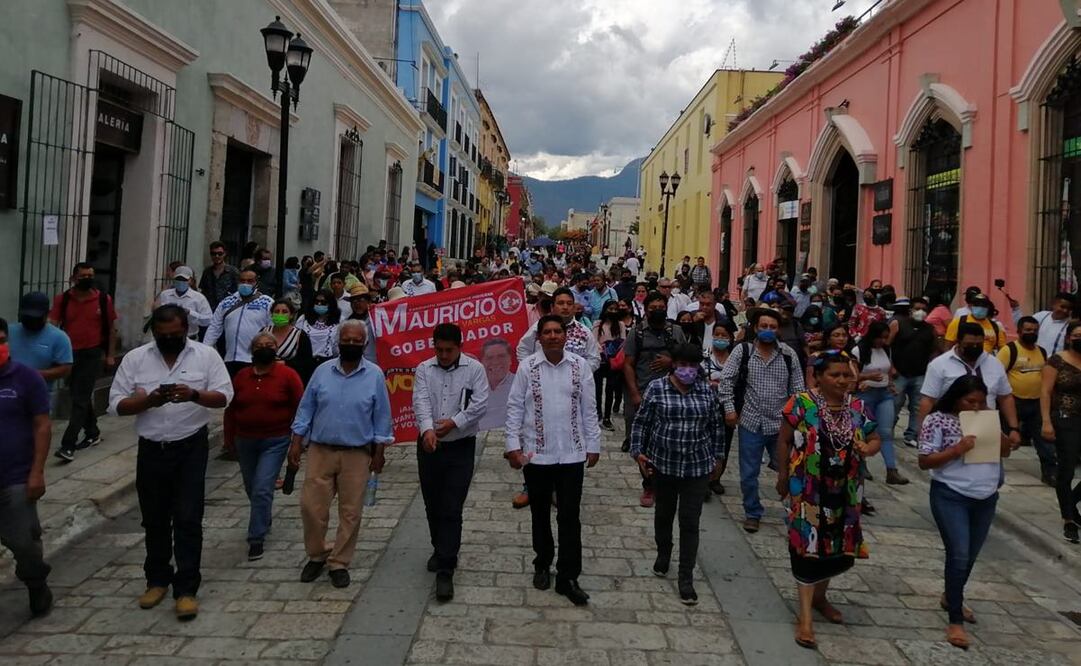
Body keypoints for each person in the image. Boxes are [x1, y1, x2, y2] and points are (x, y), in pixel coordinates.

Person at [108, 305, 232, 620]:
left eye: (175, 335)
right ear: (154, 333)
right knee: (154, 517)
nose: (169, 340)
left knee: (188, 517)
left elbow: (224, 397)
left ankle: (187, 588)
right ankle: (157, 579)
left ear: (186, 329)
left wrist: (193, 395)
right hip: (151, 448)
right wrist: (148, 401)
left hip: (190, 446)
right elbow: (116, 405)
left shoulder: (205, 356)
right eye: (163, 336)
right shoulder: (136, 359)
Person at [777, 351, 881, 649]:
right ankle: (805, 617)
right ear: (819, 377)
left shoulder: (858, 407)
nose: (842, 380)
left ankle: (821, 598)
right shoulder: (801, 403)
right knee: (807, 546)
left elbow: (876, 438)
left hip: (846, 491)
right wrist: (782, 475)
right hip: (808, 489)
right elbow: (784, 439)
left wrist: (870, 447)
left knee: (836, 547)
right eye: (835, 375)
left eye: (847, 375)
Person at [505, 315, 601, 607]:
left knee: (570, 516)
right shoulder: (527, 367)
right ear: (539, 337)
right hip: (537, 454)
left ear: (565, 336)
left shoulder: (579, 366)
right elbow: (514, 408)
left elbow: (589, 408)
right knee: (540, 514)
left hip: (572, 453)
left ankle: (568, 576)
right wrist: (513, 445)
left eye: (558, 331)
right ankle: (542, 563)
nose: (553, 336)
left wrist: (593, 443)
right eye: (547, 332)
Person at [289, 321, 392, 588]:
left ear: (365, 344)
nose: (351, 345)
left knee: (350, 512)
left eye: (357, 341)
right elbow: (306, 409)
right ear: (338, 342)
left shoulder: (375, 375)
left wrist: (379, 452)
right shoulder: (322, 372)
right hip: (321, 450)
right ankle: (317, 553)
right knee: (311, 507)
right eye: (346, 340)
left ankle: (339, 561)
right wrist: (296, 442)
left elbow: (381, 416)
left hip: (357, 453)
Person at [919, 375, 1016, 649]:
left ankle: (952, 595)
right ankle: (955, 620)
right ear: (956, 398)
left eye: (980, 401)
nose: (975, 406)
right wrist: (957, 449)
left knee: (970, 555)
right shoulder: (938, 420)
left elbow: (1006, 452)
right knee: (959, 554)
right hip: (951, 495)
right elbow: (925, 461)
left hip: (985, 497)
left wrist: (998, 432)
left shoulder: (985, 419)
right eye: (969, 401)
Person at [631, 342, 725, 605]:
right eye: (682, 365)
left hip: (696, 466)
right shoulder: (657, 388)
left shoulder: (706, 392)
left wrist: (718, 457)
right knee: (663, 515)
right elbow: (642, 422)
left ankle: (686, 577)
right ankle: (664, 552)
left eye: (692, 366)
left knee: (690, 521)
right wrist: (638, 452)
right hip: (663, 464)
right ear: (674, 364)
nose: (687, 370)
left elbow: (716, 426)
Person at [413, 324, 490, 602]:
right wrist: (427, 429)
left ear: (460, 346)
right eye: (439, 350)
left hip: (460, 446)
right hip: (430, 445)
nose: (444, 355)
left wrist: (455, 423)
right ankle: (439, 546)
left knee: (451, 505)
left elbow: (480, 403)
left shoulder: (474, 369)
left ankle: (446, 566)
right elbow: (420, 399)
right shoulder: (424, 369)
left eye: (449, 350)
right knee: (432, 502)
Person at [718, 309, 805, 533]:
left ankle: (794, 511)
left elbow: (797, 389)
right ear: (755, 328)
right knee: (749, 473)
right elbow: (726, 381)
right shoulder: (742, 351)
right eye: (764, 326)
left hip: (781, 425)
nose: (768, 331)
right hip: (751, 421)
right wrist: (729, 409)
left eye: (773, 327)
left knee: (791, 469)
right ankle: (752, 512)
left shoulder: (788, 355)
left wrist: (797, 419)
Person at [229, 333, 304, 561]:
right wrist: (229, 438)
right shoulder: (242, 376)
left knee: (262, 486)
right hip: (245, 439)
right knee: (252, 487)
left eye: (269, 345)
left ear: (276, 348)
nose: (264, 348)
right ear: (252, 350)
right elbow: (231, 408)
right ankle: (263, 514)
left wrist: (297, 442)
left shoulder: (287, 375)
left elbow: (301, 407)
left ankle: (256, 538)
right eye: (259, 345)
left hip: (276, 438)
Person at [0, 317, 54, 617]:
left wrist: (37, 472)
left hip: (15, 477)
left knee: (24, 544)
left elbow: (42, 426)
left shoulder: (26, 379)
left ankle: (36, 582)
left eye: (1, 340)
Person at [49, 263, 118, 462]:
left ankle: (67, 445)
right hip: (69, 354)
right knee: (78, 394)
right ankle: (92, 431)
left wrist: (110, 355)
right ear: (73, 278)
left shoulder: (103, 300)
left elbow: (112, 329)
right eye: (83, 276)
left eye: (91, 275)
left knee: (79, 398)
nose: (87, 279)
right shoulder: (63, 300)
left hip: (92, 353)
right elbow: (53, 325)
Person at [623, 293, 687, 506]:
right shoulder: (637, 332)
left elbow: (687, 361)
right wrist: (634, 394)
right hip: (643, 393)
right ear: (646, 309)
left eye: (661, 306)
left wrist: (672, 363)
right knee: (643, 443)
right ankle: (649, 484)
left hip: (672, 396)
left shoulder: (675, 331)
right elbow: (628, 364)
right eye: (653, 307)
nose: (657, 310)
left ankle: (669, 482)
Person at [919, 322, 1022, 451]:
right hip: (951, 431)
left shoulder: (994, 364)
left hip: (986, 428)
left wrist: (1014, 428)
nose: (974, 347)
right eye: (969, 344)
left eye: (978, 344)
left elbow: (1005, 397)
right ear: (959, 341)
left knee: (990, 467)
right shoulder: (939, 365)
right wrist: (923, 434)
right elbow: (928, 400)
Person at [998, 317, 1056, 485]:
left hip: (1037, 403)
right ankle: (995, 468)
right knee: (1003, 436)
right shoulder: (1009, 350)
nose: (1032, 333)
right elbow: (997, 375)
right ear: (1019, 331)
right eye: (1028, 330)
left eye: (1035, 330)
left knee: (1044, 440)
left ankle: (1050, 472)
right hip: (1013, 402)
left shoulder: (1042, 352)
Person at [1040, 320, 1081, 544]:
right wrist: (1046, 421)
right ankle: (1069, 520)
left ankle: (1071, 502)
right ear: (1068, 337)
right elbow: (1045, 392)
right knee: (1066, 470)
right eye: (1077, 335)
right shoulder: (1057, 361)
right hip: (1065, 419)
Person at [854, 321, 907, 485]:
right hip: (865, 394)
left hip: (884, 394)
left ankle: (891, 470)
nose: (883, 341)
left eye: (885, 337)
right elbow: (852, 375)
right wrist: (867, 378)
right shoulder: (859, 350)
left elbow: (887, 370)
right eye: (880, 337)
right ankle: (861, 465)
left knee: (885, 431)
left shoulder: (886, 349)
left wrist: (890, 384)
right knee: (861, 431)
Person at [203, 269, 274, 377]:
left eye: (250, 281)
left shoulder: (266, 302)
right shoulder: (227, 302)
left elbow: (272, 329)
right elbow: (214, 327)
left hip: (254, 359)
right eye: (242, 281)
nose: (245, 284)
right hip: (230, 359)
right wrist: (205, 349)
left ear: (256, 283)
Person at [890, 298, 937, 447]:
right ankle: (887, 430)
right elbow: (887, 346)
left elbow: (934, 349)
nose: (921, 312)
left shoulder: (930, 329)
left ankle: (912, 434)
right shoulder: (898, 324)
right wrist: (891, 367)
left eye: (924, 309)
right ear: (910, 310)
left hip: (920, 373)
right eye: (918, 308)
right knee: (895, 403)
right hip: (899, 373)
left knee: (917, 406)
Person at [9, 292, 72, 389]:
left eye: (36, 317)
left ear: (47, 314)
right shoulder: (9, 332)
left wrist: (35, 375)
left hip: (39, 393)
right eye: (28, 317)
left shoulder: (59, 337)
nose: (31, 321)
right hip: (9, 392)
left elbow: (65, 368)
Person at [703, 321, 737, 495]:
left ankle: (716, 478)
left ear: (731, 338)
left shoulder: (736, 359)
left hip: (727, 408)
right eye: (717, 334)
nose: (720, 338)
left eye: (724, 335)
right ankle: (703, 479)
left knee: (724, 443)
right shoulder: (705, 356)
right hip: (707, 407)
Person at [593, 300, 627, 430]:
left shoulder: (621, 325)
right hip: (600, 360)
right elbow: (594, 340)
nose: (612, 312)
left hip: (614, 362)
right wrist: (603, 350)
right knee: (597, 390)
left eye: (615, 309)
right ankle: (598, 415)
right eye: (610, 309)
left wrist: (613, 352)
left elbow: (623, 342)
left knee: (610, 390)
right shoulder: (598, 324)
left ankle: (607, 417)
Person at [264, 299, 315, 384]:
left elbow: (306, 364)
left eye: (284, 312)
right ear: (272, 314)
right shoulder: (264, 332)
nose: (280, 314)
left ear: (291, 315)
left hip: (289, 381)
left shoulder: (300, 335)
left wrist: (285, 363)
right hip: (266, 379)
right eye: (276, 311)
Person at [156, 266, 213, 339]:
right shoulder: (165, 295)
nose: (181, 282)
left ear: (191, 281)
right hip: (169, 338)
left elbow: (208, 320)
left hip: (190, 337)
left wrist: (190, 313)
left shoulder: (199, 298)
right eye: (178, 279)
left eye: (184, 279)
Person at [295, 289, 341, 365]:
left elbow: (338, 346)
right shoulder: (303, 319)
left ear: (331, 303)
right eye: (316, 302)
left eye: (323, 302)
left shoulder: (339, 321)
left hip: (328, 361)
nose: (319, 304)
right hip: (306, 362)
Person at [198, 241, 240, 312]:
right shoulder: (207, 271)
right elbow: (203, 291)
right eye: (213, 254)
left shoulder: (233, 272)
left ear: (225, 254)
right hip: (209, 309)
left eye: (220, 254)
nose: (217, 256)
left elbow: (238, 291)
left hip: (227, 309)